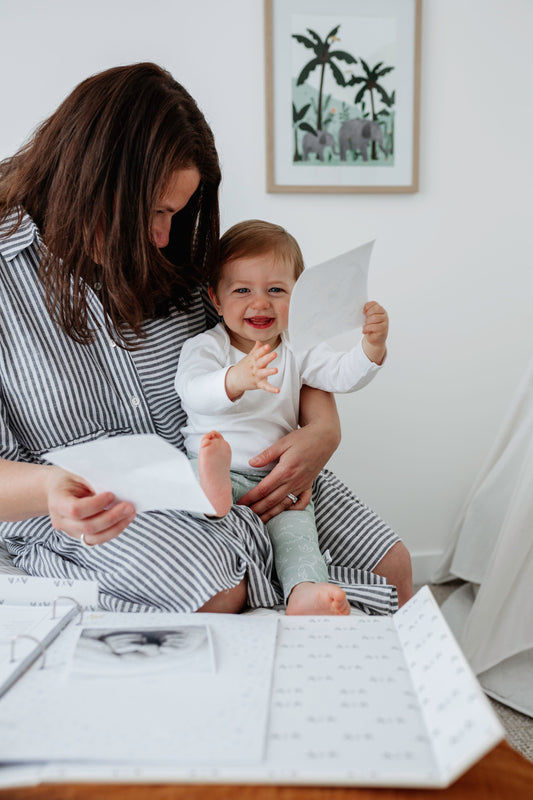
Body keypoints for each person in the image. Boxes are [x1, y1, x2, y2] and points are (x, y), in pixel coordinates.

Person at [0, 62, 412, 614]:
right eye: (153, 211)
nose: (165, 234)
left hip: (237, 465)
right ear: (91, 181)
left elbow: (267, 349)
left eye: (176, 212)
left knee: (394, 565)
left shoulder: (173, 258)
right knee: (218, 585)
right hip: (80, 500)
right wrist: (52, 490)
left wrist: (323, 429)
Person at [176, 220, 394, 615]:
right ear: (216, 299)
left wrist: (370, 347)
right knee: (191, 475)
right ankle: (213, 494)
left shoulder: (299, 348)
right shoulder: (206, 347)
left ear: (299, 297)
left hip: (276, 481)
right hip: (212, 466)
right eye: (242, 290)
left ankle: (305, 591)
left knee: (298, 539)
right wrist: (236, 378)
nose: (260, 303)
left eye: (276, 290)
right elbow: (192, 390)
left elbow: (340, 375)